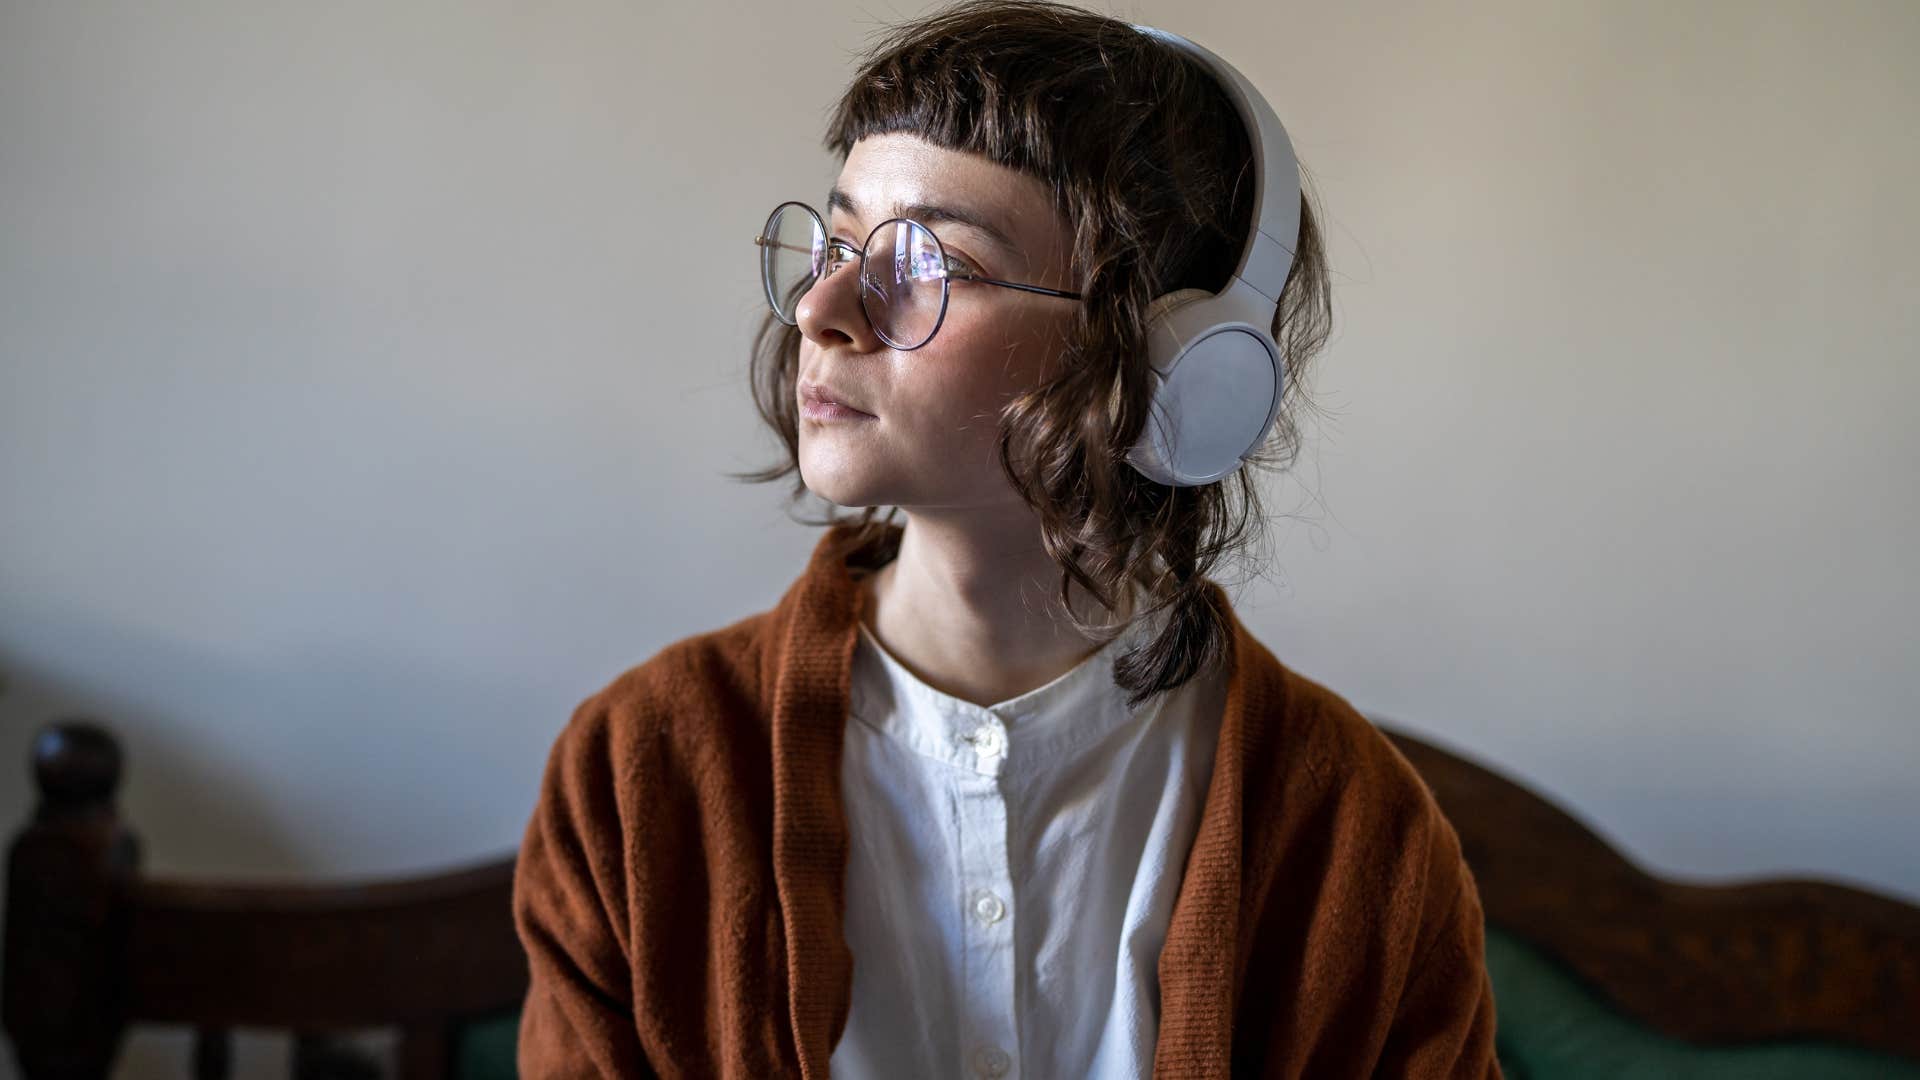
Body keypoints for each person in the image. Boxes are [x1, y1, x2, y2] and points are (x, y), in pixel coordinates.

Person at [513, 1, 1503, 1076]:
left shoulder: (1359, 837)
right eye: (839, 244)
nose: (822, 309)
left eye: (932, 263)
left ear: (1175, 364)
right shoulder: (637, 775)